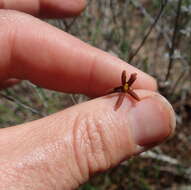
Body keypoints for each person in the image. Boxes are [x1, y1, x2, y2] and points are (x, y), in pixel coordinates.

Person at [0, 1, 176, 189]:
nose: (126, 86)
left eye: (127, 85)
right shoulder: (123, 90)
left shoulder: (125, 89)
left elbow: (126, 87)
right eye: (125, 85)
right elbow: (123, 88)